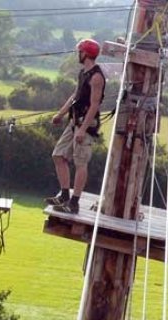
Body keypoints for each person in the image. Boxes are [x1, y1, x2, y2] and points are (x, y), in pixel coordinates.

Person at [45, 39, 106, 214]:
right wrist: (60, 114)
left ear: (85, 53)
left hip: (85, 124)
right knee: (58, 155)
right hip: (74, 122)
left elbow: (94, 105)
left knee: (80, 163)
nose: (78, 54)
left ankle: (74, 202)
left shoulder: (96, 77)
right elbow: (75, 95)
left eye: (79, 51)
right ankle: (64, 195)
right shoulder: (83, 73)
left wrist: (83, 129)